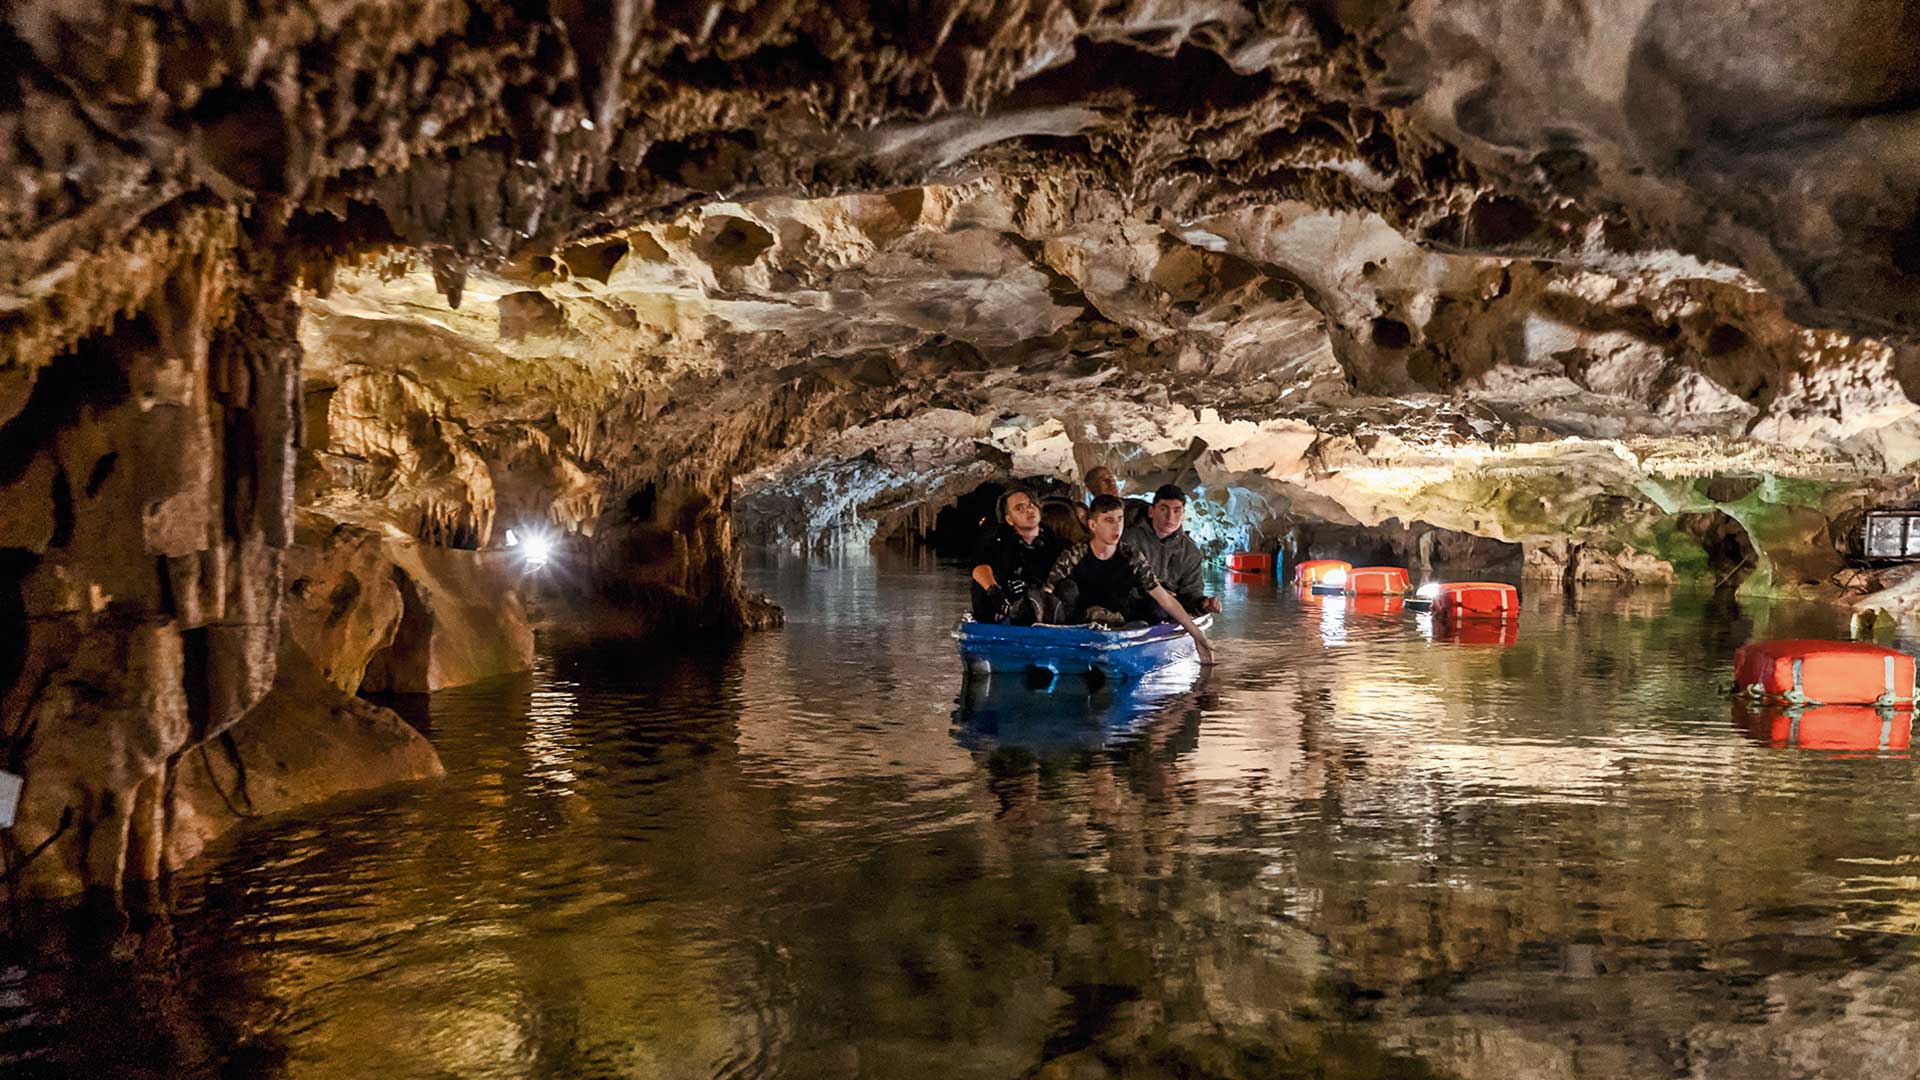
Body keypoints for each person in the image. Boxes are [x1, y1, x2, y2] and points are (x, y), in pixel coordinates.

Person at [1043, 495, 1215, 664]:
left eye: (1120, 519)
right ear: (1093, 525)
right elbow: (1047, 593)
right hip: (1081, 620)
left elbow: (1164, 599)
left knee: (1155, 607)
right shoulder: (1074, 555)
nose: (1117, 527)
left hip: (1121, 618)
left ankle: (1134, 638)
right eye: (1109, 520)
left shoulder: (1131, 556)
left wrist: (1198, 635)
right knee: (1066, 588)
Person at [1123, 484, 1222, 615]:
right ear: (1151, 511)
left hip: (1166, 611)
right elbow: (1114, 580)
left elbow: (1191, 591)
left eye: (1177, 511)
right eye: (1164, 509)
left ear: (1183, 514)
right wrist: (1153, 593)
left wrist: (1202, 603)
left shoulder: (1190, 552)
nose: (1170, 517)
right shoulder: (1129, 540)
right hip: (1130, 606)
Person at [969, 487, 1060, 625]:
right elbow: (980, 567)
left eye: (1030, 504)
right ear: (1009, 519)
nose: (1029, 510)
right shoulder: (997, 540)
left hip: (1043, 602)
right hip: (1005, 605)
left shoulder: (1053, 540)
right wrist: (994, 591)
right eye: (1019, 508)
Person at [1083, 465, 1149, 528]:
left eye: (1111, 477)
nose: (1111, 483)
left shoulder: (1137, 507)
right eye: (1103, 480)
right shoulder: (1090, 520)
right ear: (1092, 488)